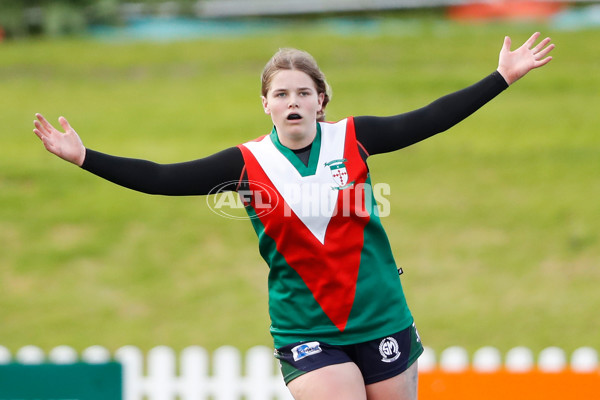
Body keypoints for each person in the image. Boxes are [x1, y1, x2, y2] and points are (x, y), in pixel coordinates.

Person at [33, 32, 554, 400]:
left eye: (304, 93)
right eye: (281, 94)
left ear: (321, 101)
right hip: (307, 328)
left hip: (381, 315)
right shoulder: (245, 163)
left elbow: (430, 119)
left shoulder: (354, 138)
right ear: (266, 104)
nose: (293, 102)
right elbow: (162, 178)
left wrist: (501, 77)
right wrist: (86, 158)